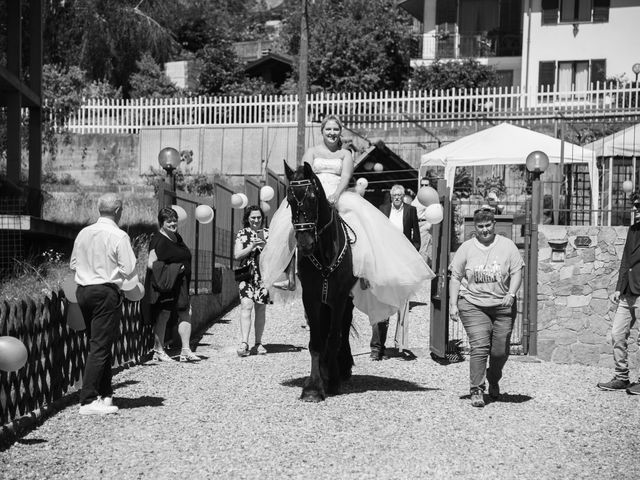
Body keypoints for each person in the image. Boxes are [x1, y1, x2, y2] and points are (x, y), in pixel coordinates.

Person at [261, 115, 434, 325]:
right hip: (313, 197)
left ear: (340, 132)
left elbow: (345, 176)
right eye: (328, 129)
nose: (332, 133)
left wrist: (335, 195)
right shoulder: (312, 152)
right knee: (293, 226)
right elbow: (304, 175)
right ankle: (290, 273)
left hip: (337, 194)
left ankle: (363, 273)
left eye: (336, 129)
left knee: (359, 227)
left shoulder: (345, 154)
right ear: (322, 131)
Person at [449, 208, 524, 408]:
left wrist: (511, 293)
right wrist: (453, 305)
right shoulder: (466, 248)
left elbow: (517, 272)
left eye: (488, 225)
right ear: (475, 227)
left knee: (500, 351)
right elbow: (455, 277)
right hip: (473, 304)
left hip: (503, 304)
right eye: (480, 226)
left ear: (494, 225)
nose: (484, 230)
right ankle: (476, 389)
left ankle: (493, 377)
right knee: (480, 347)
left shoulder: (508, 246)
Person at [70, 193, 137, 415]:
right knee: (100, 346)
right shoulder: (119, 235)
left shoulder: (83, 233)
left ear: (100, 209)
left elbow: (73, 264)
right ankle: (88, 400)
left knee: (99, 342)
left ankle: (105, 394)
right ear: (118, 210)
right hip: (106, 292)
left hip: (83, 290)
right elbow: (129, 269)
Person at [370, 185, 421, 360]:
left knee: (398, 303)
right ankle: (377, 347)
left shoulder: (411, 211)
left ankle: (399, 343)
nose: (397, 198)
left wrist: (410, 255)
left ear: (404, 196)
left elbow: (417, 239)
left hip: (402, 262)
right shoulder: (382, 210)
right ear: (390, 197)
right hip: (384, 261)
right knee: (380, 301)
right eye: (395, 195)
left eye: (400, 195)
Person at [597, 194, 640, 395]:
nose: (636, 209)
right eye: (635, 206)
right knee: (617, 334)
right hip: (627, 292)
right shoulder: (633, 230)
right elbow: (625, 260)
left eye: (639, 205)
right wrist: (618, 287)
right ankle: (622, 377)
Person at [145, 207, 199, 362]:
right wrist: (174, 269)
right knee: (164, 315)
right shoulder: (158, 240)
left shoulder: (177, 237)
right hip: (166, 284)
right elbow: (151, 264)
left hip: (181, 285)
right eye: (168, 221)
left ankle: (185, 350)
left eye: (174, 220)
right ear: (162, 223)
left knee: (185, 312)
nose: (173, 223)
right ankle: (158, 350)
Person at [234, 205, 270, 357]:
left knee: (260, 308)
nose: (256, 220)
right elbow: (237, 255)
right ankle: (244, 342)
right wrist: (252, 246)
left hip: (263, 276)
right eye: (253, 217)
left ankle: (258, 342)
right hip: (247, 275)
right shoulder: (242, 234)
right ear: (247, 219)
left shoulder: (268, 234)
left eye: (259, 217)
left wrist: (265, 247)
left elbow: (275, 254)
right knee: (246, 306)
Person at [412, 177, 434, 267]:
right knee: (415, 250)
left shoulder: (431, 197)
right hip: (415, 224)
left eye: (426, 185)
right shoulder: (418, 196)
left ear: (430, 186)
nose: (424, 186)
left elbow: (434, 211)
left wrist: (429, 225)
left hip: (424, 224)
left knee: (422, 251)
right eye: (422, 185)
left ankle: (424, 272)